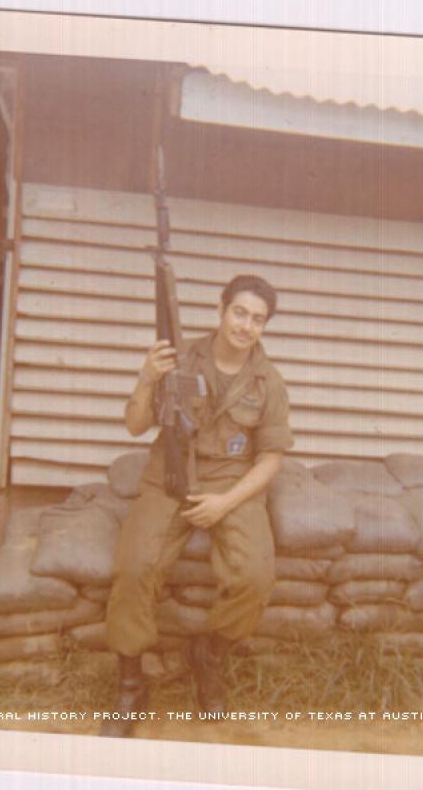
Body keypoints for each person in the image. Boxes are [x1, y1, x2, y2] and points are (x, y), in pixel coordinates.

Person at [100, 274, 293, 737]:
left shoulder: (269, 382)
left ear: (265, 327)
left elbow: (270, 459)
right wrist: (147, 379)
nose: (246, 326)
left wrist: (225, 503)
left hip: (229, 481)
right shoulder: (178, 357)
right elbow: (134, 425)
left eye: (258, 319)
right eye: (240, 312)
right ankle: (131, 683)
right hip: (170, 473)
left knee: (254, 575)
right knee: (134, 565)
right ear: (222, 310)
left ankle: (209, 654)